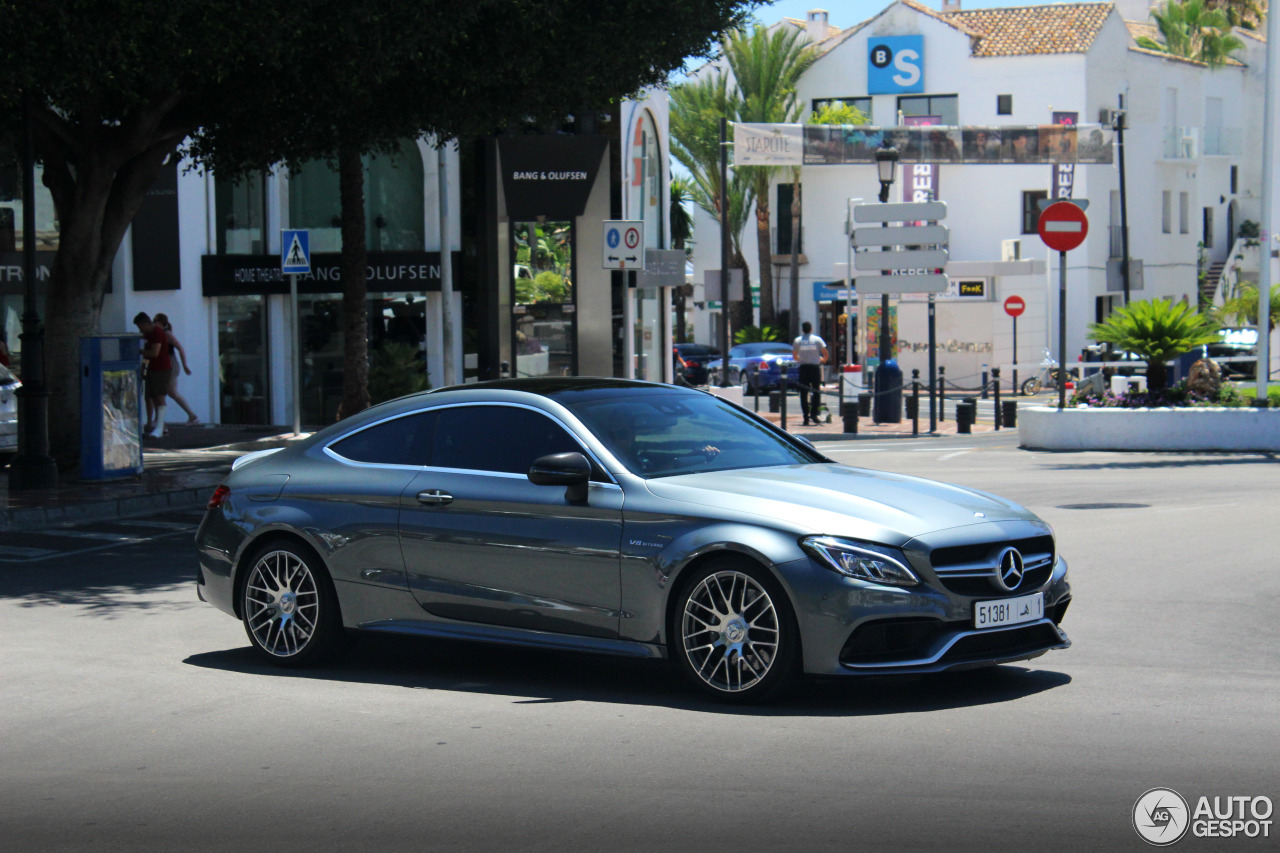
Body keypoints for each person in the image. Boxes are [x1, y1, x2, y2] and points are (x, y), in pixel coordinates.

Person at [152, 313, 199, 425]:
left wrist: (185, 365)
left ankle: (191, 415)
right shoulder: (159, 334)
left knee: (169, 392)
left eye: (155, 321)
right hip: (165, 363)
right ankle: (191, 415)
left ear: (160, 322)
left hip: (170, 364)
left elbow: (180, 348)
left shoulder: (167, 334)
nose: (153, 323)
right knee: (167, 392)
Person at [133, 312, 172, 438]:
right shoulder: (147, 335)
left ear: (145, 323)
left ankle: (159, 428)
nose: (140, 330)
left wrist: (139, 351)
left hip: (161, 368)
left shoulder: (157, 333)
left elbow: (155, 352)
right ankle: (158, 425)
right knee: (152, 397)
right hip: (151, 368)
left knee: (160, 397)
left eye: (140, 326)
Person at [792, 321, 829, 427]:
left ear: (802, 330)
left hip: (803, 368)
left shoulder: (798, 341)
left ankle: (805, 417)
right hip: (814, 368)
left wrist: (801, 358)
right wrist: (823, 360)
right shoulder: (817, 340)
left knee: (803, 393)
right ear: (811, 329)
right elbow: (825, 353)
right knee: (816, 391)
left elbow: (794, 356)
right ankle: (814, 414)